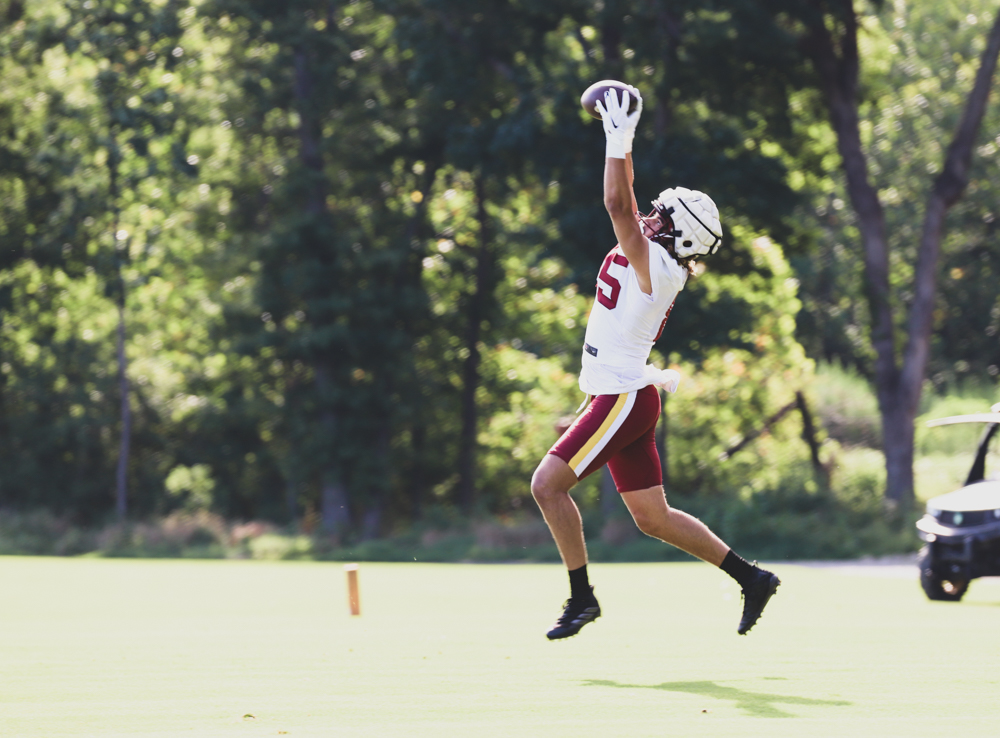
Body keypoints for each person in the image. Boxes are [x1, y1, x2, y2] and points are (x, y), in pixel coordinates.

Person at [531, 86, 780, 641]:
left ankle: (581, 598)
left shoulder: (658, 266)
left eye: (663, 215)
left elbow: (618, 202)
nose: (651, 215)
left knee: (547, 486)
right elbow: (628, 198)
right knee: (652, 518)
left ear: (677, 234)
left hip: (624, 397)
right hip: (618, 395)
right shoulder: (655, 254)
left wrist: (618, 137)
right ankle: (752, 578)